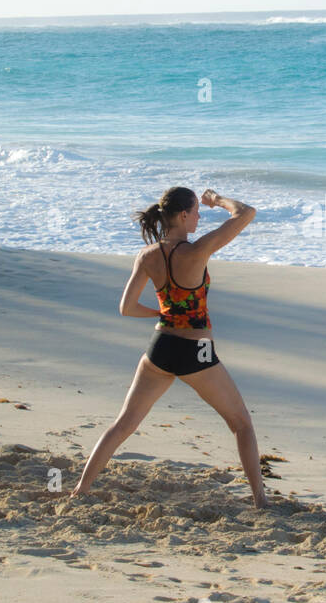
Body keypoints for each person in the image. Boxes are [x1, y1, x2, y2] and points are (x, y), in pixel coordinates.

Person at [69, 186, 269, 508]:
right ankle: (261, 500)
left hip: (160, 348)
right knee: (241, 423)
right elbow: (246, 213)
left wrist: (161, 312)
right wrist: (217, 200)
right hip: (197, 352)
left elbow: (127, 308)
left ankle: (81, 489)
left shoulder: (147, 256)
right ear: (183, 215)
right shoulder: (197, 251)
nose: (200, 217)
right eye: (196, 211)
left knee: (123, 425)